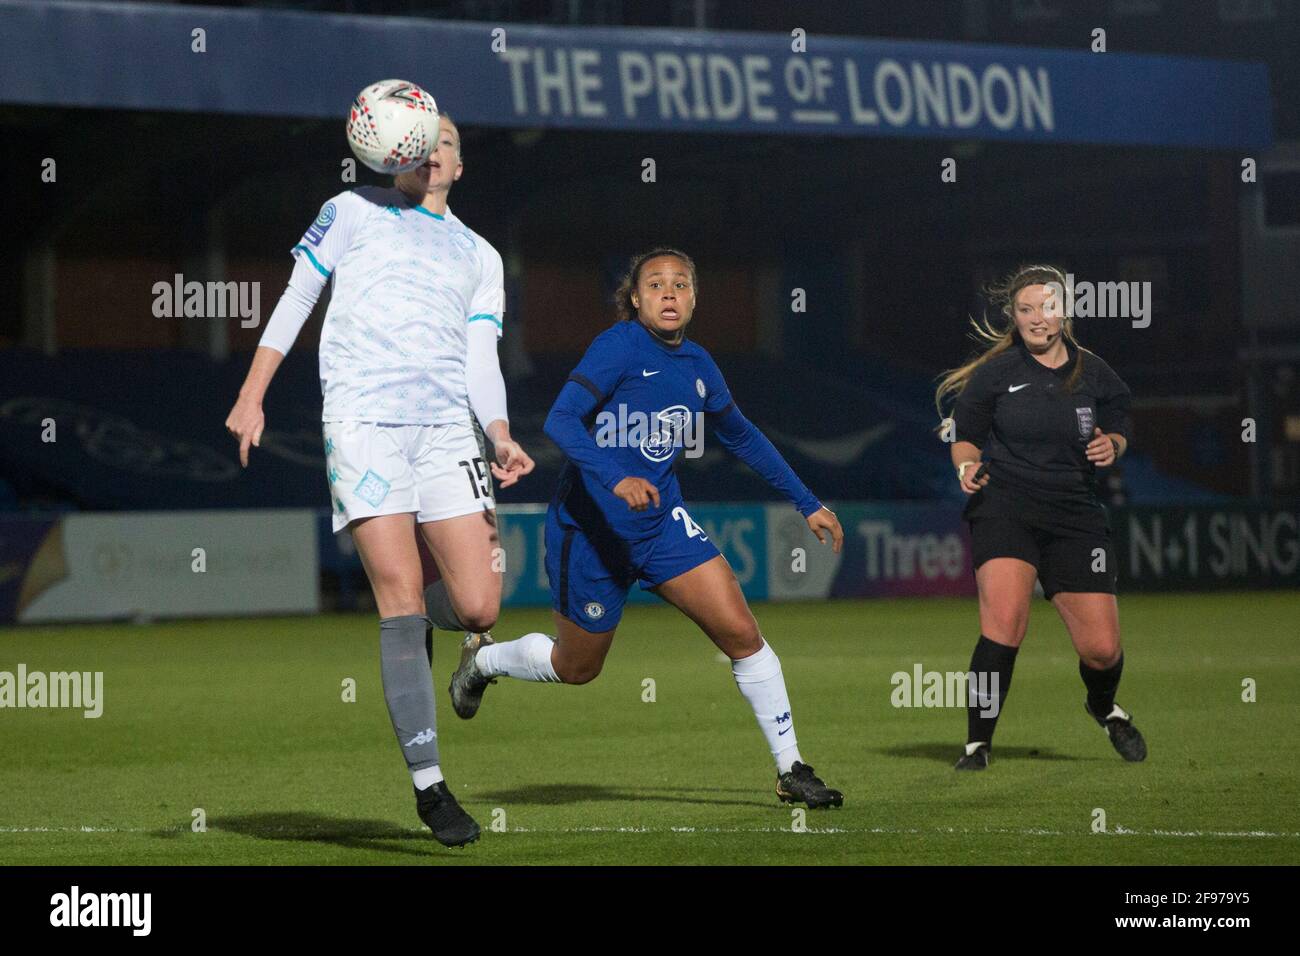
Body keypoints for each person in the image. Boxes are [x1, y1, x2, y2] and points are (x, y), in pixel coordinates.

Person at [224, 113, 534, 845]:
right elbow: (299, 295)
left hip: (447, 431)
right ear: (395, 151)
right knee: (398, 600)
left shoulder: (480, 254)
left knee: (480, 605)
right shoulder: (351, 210)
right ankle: (431, 789)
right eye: (423, 139)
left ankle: (473, 666)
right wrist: (251, 391)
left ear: (458, 166)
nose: (432, 149)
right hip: (364, 424)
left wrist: (497, 432)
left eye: (447, 142)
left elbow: (480, 360)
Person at [445, 248, 846, 808]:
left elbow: (743, 436)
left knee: (742, 634)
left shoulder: (700, 367)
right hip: (589, 533)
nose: (668, 293)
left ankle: (792, 769)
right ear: (635, 299)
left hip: (660, 528)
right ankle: (483, 660)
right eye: (655, 284)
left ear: (694, 299)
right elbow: (561, 419)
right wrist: (615, 479)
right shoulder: (618, 346)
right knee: (577, 667)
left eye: (680, 284)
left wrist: (807, 502)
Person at [935, 264, 1147, 771]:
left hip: (1075, 514)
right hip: (1005, 506)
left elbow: (1119, 421)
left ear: (1064, 311)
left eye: (1046, 307)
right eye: (1025, 309)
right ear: (1014, 315)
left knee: (1101, 650)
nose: (1036, 318)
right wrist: (965, 464)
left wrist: (1112, 443)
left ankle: (1102, 706)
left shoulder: (1094, 372)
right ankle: (976, 745)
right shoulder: (997, 373)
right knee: (1003, 627)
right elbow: (964, 435)